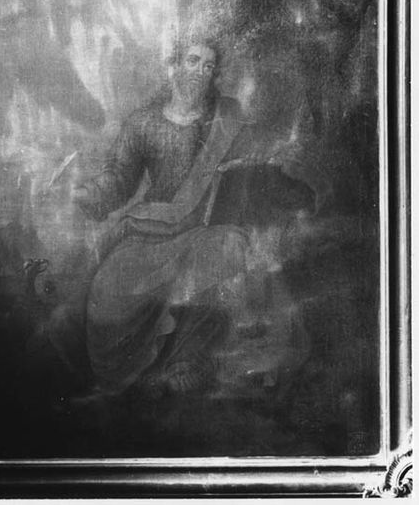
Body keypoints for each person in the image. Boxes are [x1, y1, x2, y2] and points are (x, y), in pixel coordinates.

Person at [63, 38, 325, 400]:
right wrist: (85, 195)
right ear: (174, 66)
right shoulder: (143, 123)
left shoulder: (227, 120)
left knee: (227, 250)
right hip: (149, 232)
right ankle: (129, 374)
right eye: (193, 61)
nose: (201, 71)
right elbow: (119, 179)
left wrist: (288, 167)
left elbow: (265, 161)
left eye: (208, 65)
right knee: (109, 289)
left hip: (205, 230)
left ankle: (187, 359)